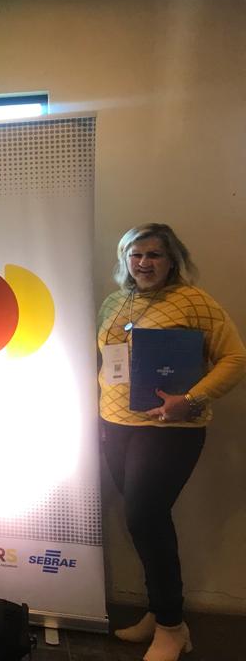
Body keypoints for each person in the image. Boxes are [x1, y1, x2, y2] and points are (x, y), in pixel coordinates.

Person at [98, 223, 246, 661]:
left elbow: (235, 357)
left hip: (169, 430)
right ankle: (160, 613)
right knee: (143, 523)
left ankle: (171, 627)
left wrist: (192, 399)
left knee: (145, 517)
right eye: (135, 254)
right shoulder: (114, 301)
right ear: (125, 259)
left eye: (154, 255)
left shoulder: (194, 302)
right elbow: (106, 361)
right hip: (116, 425)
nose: (143, 263)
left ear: (172, 260)